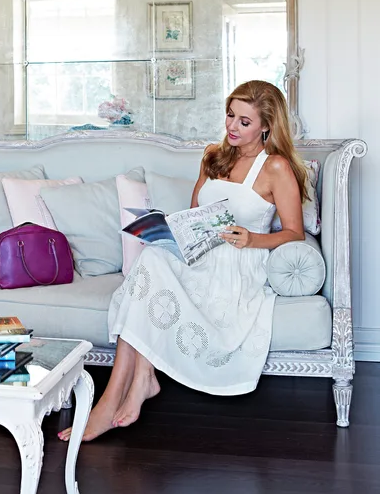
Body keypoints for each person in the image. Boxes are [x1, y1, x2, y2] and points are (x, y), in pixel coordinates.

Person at [59, 80, 307, 443]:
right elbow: (194, 216)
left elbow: (294, 233)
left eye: (244, 122)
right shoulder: (213, 155)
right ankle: (134, 384)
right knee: (153, 258)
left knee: (151, 271)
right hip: (200, 254)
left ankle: (116, 396)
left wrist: (253, 238)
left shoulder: (276, 168)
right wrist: (166, 230)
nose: (232, 128)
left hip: (239, 263)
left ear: (266, 126)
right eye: (229, 116)